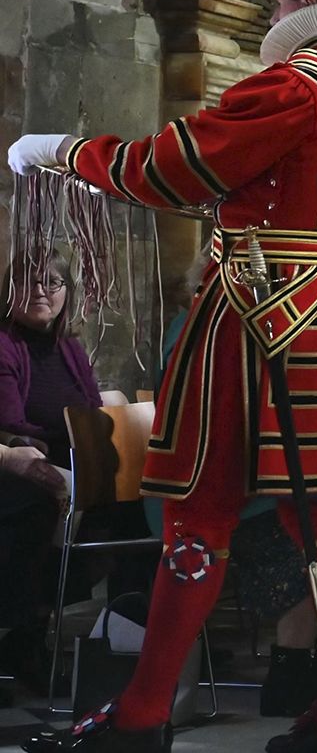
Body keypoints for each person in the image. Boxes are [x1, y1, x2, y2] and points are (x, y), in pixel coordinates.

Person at [9, 0, 317, 753]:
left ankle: (145, 710)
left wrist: (66, 152)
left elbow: (172, 165)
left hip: (260, 320)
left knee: (199, 509)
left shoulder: (295, 84)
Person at [0, 254, 103, 695]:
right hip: (15, 462)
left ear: (68, 291)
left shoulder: (71, 348)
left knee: (140, 509)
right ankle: (22, 635)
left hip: (71, 462)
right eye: (29, 281)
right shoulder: (5, 342)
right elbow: (11, 423)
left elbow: (93, 411)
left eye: (54, 282)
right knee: (36, 503)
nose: (42, 290)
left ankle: (123, 638)